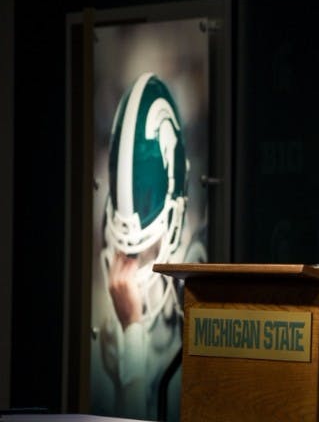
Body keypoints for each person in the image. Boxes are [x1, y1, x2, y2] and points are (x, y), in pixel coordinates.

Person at [97, 72, 206, 420]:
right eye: (131, 253)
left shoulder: (197, 273)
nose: (130, 267)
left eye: (142, 252)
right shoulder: (105, 329)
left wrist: (132, 339)